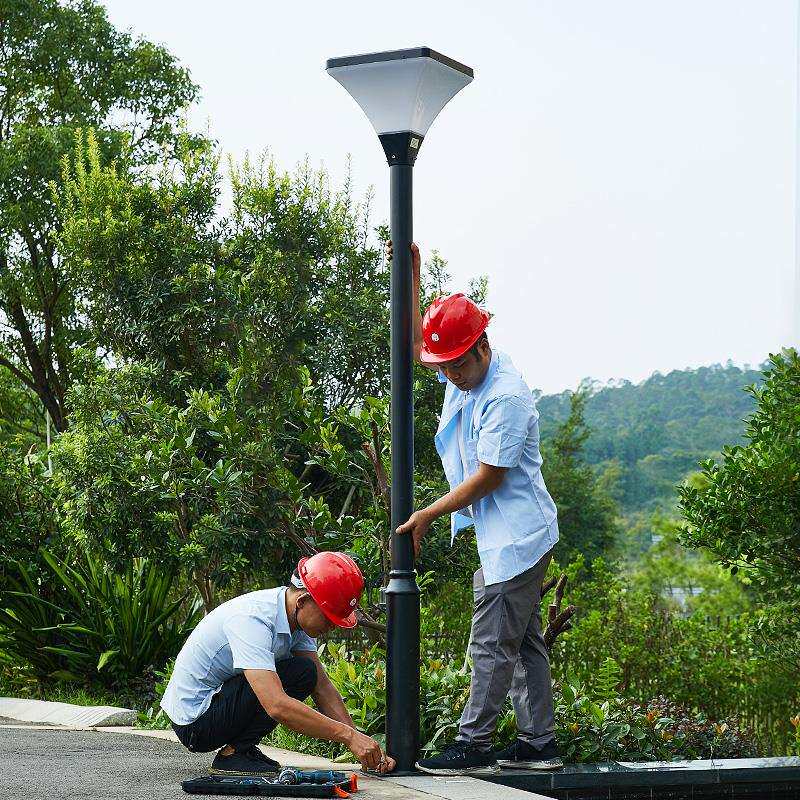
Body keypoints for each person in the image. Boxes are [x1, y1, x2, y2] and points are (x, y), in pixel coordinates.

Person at [389, 241, 562, 775]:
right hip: (506, 535)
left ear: (482, 346)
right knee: (524, 642)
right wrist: (411, 275)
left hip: (518, 536)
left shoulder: (506, 395)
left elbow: (490, 476)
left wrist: (427, 514)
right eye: (445, 367)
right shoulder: (463, 366)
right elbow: (417, 344)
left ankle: (474, 743)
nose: (451, 375)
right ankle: (539, 745)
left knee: (491, 642)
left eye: (458, 365)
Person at [161, 551, 396, 776]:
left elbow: (322, 688)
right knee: (295, 675)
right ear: (303, 601)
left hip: (219, 703)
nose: (332, 626)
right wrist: (347, 736)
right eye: (328, 617)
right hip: (196, 723)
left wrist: (362, 746)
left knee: (306, 673)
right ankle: (234, 753)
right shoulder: (253, 620)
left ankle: (241, 749)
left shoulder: (295, 618)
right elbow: (276, 705)